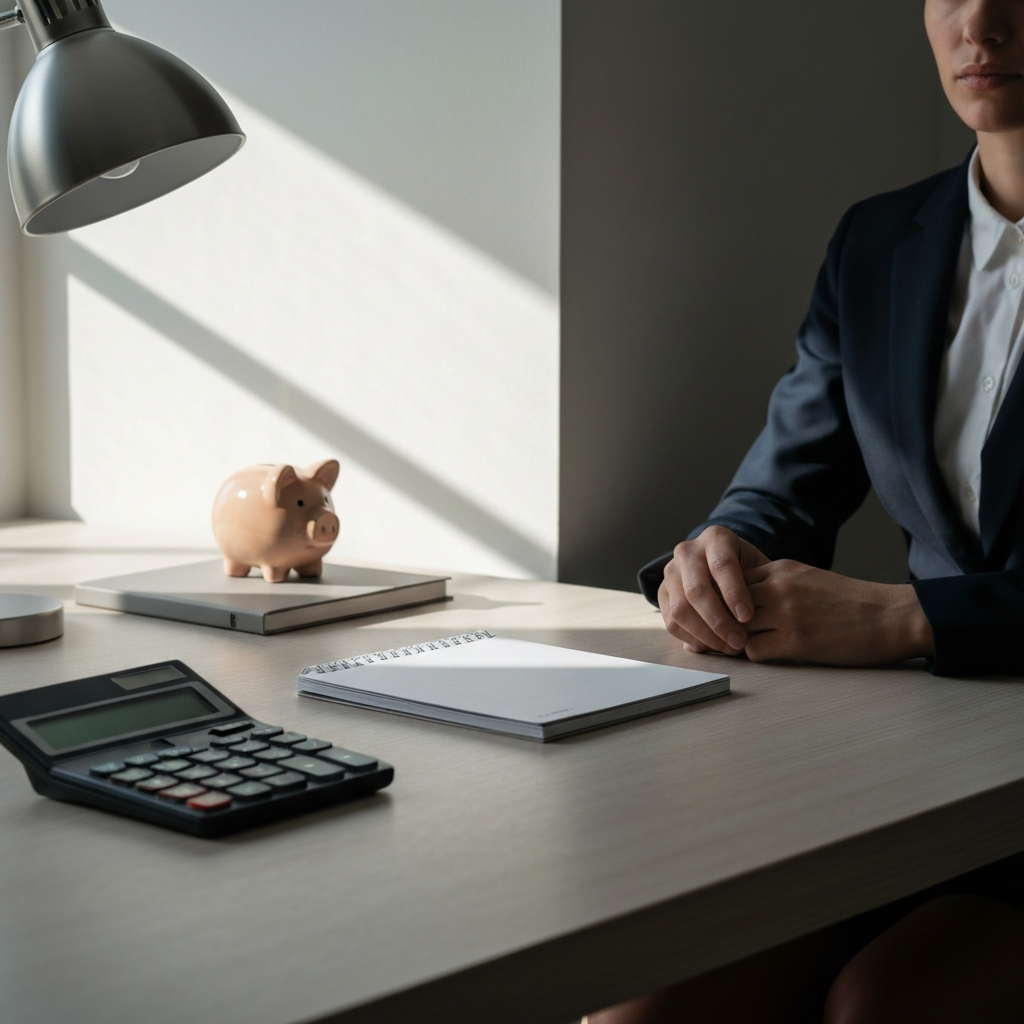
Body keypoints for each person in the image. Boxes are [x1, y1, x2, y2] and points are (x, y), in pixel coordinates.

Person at [587, 1, 1024, 1021]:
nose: (980, 23)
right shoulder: (878, 241)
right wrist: (719, 554)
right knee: (640, 1007)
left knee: (884, 1003)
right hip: (923, 773)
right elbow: (787, 481)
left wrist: (906, 618)